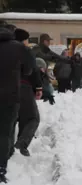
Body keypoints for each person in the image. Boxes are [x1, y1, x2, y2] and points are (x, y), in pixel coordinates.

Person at [0, 22, 35, 183]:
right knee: (5, 132)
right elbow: (29, 69)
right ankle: (1, 169)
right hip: (10, 96)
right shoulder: (19, 47)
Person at [13, 28, 43, 157]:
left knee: (10, 118)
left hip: (5, 88)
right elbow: (32, 69)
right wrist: (38, 87)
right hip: (23, 86)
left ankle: (8, 150)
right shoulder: (24, 51)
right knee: (32, 117)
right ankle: (21, 144)